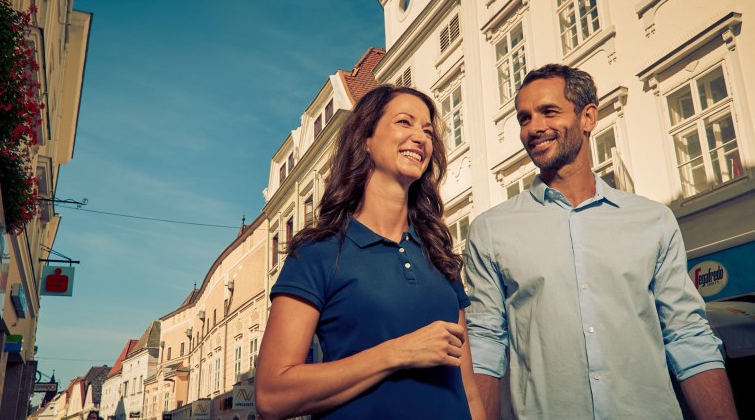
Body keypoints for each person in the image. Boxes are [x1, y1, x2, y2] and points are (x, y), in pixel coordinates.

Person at [464, 64, 739, 419]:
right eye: (524, 118)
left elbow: (688, 336)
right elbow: (486, 345)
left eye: (549, 111)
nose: (533, 128)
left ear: (588, 117)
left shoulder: (653, 220)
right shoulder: (490, 230)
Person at [255, 85, 485, 419]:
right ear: (366, 138)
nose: (420, 137)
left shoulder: (438, 254)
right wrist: (399, 353)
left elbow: (468, 393)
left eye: (428, 131)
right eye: (404, 122)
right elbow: (271, 396)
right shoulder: (318, 253)